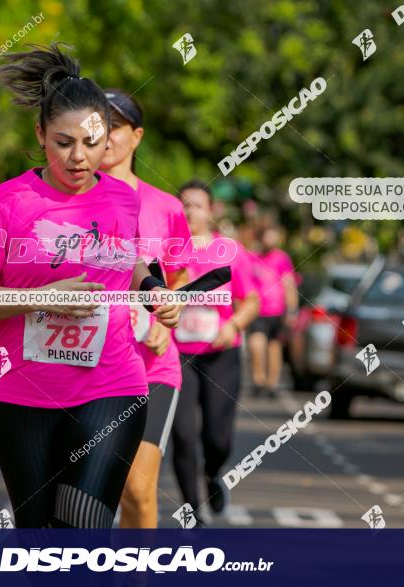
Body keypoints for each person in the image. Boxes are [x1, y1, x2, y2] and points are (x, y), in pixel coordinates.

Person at [0, 42, 180, 528]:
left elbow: (130, 261)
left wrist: (152, 290)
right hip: (20, 393)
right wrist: (42, 298)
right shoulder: (5, 203)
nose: (79, 157)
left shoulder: (122, 199)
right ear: (40, 135)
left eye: (92, 142)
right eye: (63, 142)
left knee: (83, 532)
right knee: (39, 539)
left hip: (111, 384)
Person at [99, 89, 191, 528]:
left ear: (136, 136)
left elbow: (181, 273)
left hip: (150, 364)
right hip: (84, 362)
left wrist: (166, 321)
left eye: (114, 126)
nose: (104, 136)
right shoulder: (68, 202)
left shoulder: (166, 207)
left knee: (137, 488)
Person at [171, 180, 260, 523]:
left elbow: (250, 301)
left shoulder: (229, 251)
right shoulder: (168, 251)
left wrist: (233, 325)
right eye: (185, 205)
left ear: (211, 211)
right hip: (178, 354)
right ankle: (191, 508)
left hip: (221, 352)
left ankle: (212, 474)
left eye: (197, 205)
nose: (190, 211)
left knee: (217, 437)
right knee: (182, 434)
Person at [248, 222, 297, 397]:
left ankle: (272, 384)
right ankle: (258, 379)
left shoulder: (281, 258)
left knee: (274, 347)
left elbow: (289, 284)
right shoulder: (252, 257)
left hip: (278, 312)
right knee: (256, 343)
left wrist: (292, 310)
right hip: (257, 312)